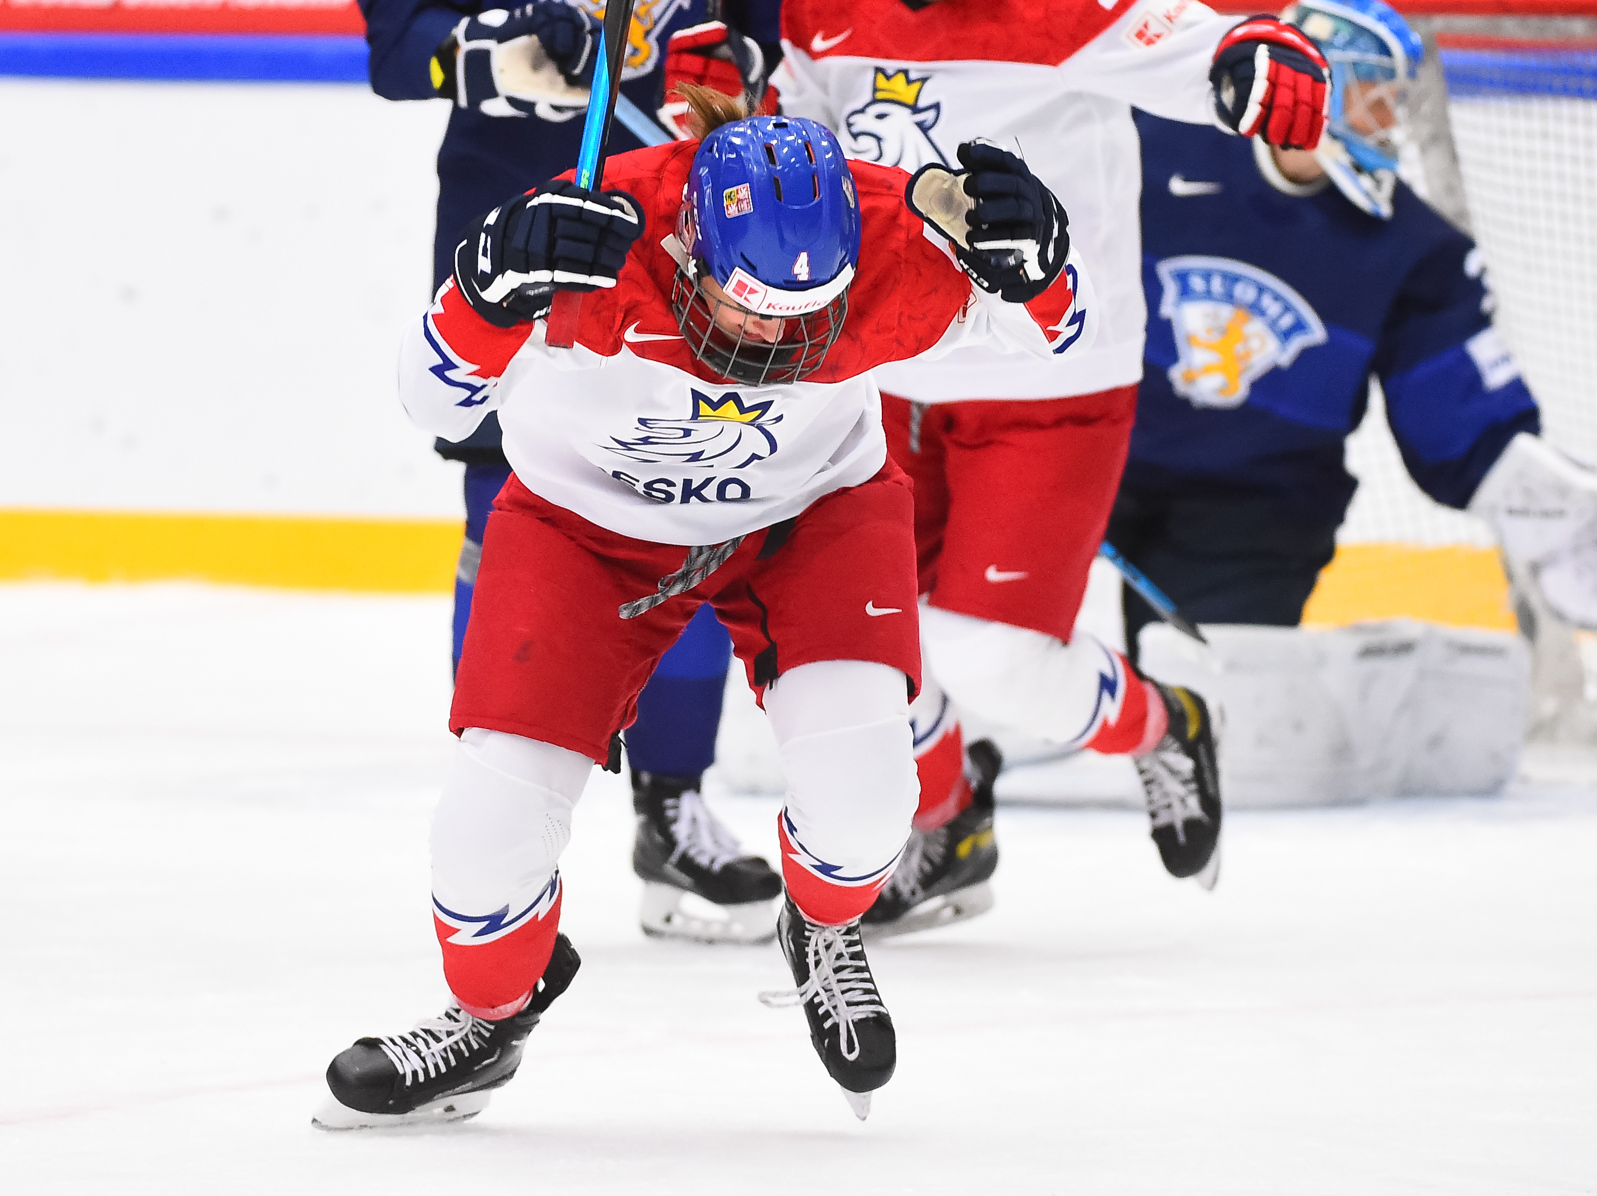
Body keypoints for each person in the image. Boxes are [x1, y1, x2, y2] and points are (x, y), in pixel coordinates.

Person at [314, 89, 1093, 1129]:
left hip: (810, 515)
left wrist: (1041, 265)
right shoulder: (585, 241)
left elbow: (1056, 334)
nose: (774, 334)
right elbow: (431, 402)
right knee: (481, 838)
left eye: (804, 309)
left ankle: (821, 928)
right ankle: (490, 1018)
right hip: (582, 527)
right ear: (686, 247)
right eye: (746, 302)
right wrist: (485, 287)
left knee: (867, 804)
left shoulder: (898, 234)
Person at [771, 0, 1333, 929]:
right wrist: (714, 107)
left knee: (987, 661)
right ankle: (947, 827)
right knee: (858, 643)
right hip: (880, 377)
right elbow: (788, 144)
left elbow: (1214, 51)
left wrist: (1264, 62)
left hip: (1048, 376)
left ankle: (1163, 723)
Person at [355, 0, 817, 941]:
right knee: (508, 522)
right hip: (518, 243)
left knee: (691, 503)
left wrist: (745, 73)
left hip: (687, 253)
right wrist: (501, 54)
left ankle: (673, 809)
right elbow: (394, 38)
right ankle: (503, 838)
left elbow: (805, 44)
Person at [1108, 0, 1597, 650]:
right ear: (1314, 82)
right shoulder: (1153, 144)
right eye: (1373, 95)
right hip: (1094, 462)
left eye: (1393, 99)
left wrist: (1558, 503)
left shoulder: (1414, 248)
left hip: (1255, 513)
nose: (1389, 120)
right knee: (1020, 670)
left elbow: (1460, 422)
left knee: (1198, 696)